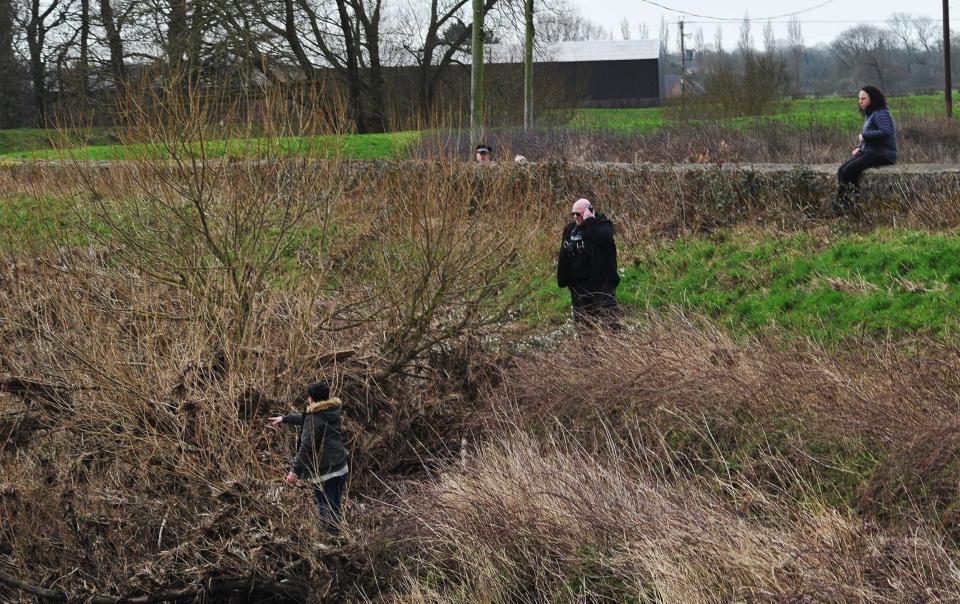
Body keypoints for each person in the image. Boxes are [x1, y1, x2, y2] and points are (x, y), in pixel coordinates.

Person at [268, 381, 348, 535]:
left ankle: (332, 542)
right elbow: (305, 418)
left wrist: (294, 472)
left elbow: (306, 447)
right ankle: (339, 538)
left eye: (309, 397)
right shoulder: (331, 410)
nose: (307, 400)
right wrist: (284, 419)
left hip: (326, 472)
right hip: (340, 467)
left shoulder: (314, 418)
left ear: (312, 399)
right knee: (334, 507)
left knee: (326, 510)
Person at [834, 85, 897, 217]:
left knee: (848, 171)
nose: (860, 101)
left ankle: (846, 207)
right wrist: (860, 147)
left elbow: (885, 132)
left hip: (883, 154)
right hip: (873, 151)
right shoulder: (872, 114)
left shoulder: (881, 113)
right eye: (859, 99)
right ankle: (845, 205)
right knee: (842, 170)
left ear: (872, 99)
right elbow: (871, 137)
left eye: (863, 98)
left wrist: (864, 136)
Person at [556, 198, 620, 327]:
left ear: (588, 212)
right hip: (579, 287)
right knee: (583, 326)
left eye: (578, 214)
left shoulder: (602, 225)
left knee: (609, 324)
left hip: (602, 284)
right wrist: (564, 279)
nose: (575, 217)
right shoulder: (570, 229)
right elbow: (563, 254)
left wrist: (590, 222)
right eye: (572, 214)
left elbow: (603, 239)